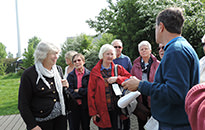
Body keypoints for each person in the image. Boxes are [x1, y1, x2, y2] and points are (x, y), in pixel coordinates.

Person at [122, 7, 199, 130]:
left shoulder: (175, 51)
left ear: (161, 27)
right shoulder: (181, 47)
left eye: (155, 27)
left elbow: (175, 93)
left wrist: (140, 85)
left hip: (176, 125)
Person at [18, 42, 68, 130]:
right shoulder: (29, 74)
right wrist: (32, 125)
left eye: (57, 53)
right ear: (43, 55)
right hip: (42, 123)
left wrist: (65, 86)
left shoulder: (58, 70)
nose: (56, 56)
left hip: (60, 119)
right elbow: (23, 103)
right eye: (53, 54)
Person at [88, 44, 131, 130]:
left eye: (112, 54)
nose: (110, 56)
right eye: (107, 54)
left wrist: (117, 78)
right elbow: (90, 93)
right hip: (102, 110)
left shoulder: (118, 68)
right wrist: (94, 112)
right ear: (102, 55)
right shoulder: (95, 72)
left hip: (117, 108)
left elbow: (130, 78)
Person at [130, 40, 160, 130]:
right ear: (139, 52)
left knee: (154, 124)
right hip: (140, 98)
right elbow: (132, 79)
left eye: (146, 49)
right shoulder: (135, 65)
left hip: (153, 97)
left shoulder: (158, 64)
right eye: (142, 49)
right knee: (141, 124)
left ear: (150, 51)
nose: (144, 51)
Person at [67, 53, 91, 130]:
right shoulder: (70, 76)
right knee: (74, 127)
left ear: (83, 61)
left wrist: (79, 91)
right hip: (74, 106)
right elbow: (69, 91)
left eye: (79, 60)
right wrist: (82, 93)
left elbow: (90, 90)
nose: (77, 62)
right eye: (75, 61)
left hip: (86, 106)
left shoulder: (89, 74)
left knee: (86, 127)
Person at [64, 50, 78, 130]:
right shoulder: (66, 68)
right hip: (68, 96)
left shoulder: (77, 68)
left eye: (67, 58)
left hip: (76, 97)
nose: (65, 60)